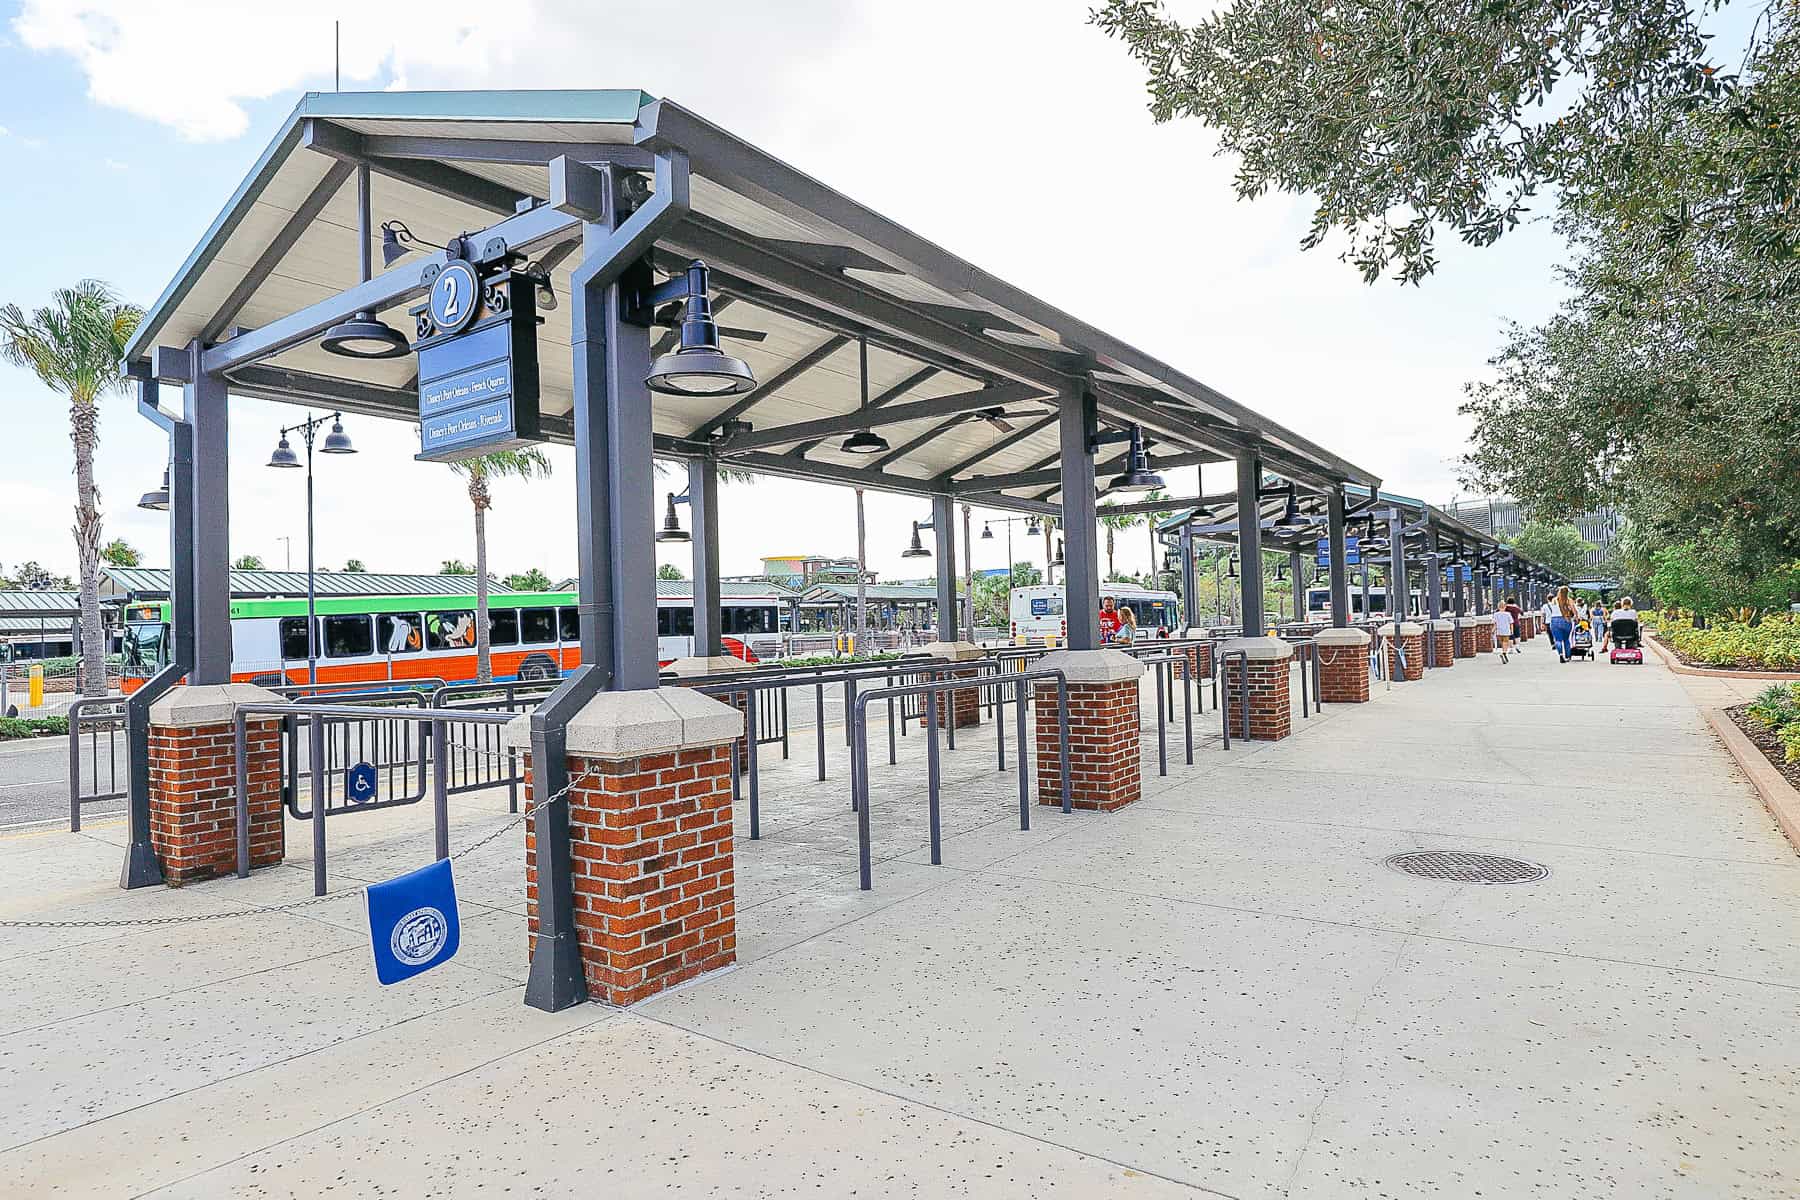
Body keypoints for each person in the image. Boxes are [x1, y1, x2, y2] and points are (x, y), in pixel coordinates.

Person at [1550, 585, 1579, 662]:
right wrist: (1576, 617)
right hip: (1566, 620)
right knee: (1566, 639)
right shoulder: (1569, 600)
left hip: (1554, 620)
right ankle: (1568, 656)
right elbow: (1574, 611)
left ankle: (1561, 654)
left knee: (1558, 640)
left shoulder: (1554, 600)